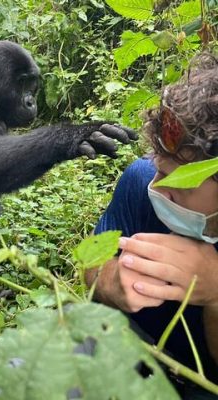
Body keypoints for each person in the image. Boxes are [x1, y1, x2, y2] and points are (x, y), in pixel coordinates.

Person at [86, 52, 218, 399]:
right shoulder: (139, 182)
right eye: (159, 167)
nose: (157, 188)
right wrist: (110, 279)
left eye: (181, 181)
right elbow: (89, 263)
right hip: (130, 353)